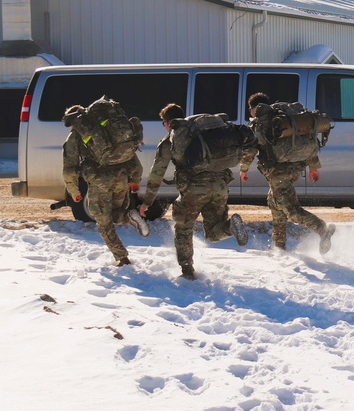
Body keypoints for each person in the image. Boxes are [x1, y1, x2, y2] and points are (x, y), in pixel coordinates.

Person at [139, 103, 250, 280]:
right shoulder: (203, 134)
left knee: (183, 228)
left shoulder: (172, 140)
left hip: (193, 191)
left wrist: (147, 201)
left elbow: (156, 174)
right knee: (213, 233)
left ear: (168, 123)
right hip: (220, 187)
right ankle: (230, 227)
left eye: (163, 124)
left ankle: (187, 271)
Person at [240, 92, 335, 255]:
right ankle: (279, 247)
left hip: (278, 172)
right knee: (275, 204)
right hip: (293, 169)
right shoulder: (281, 120)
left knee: (291, 211)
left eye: (250, 109)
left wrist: (243, 169)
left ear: (255, 109)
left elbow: (250, 150)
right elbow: (306, 141)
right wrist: (313, 168)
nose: (250, 113)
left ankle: (322, 229)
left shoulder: (261, 124)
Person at [62, 104, 148, 267]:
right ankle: (128, 216)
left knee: (103, 222)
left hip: (99, 180)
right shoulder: (108, 130)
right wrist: (136, 178)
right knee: (115, 213)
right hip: (121, 177)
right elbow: (129, 154)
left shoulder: (75, 136)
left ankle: (122, 259)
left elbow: (69, 168)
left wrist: (73, 190)